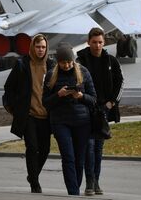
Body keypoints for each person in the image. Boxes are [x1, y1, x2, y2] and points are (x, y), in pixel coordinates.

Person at [3, 33, 54, 193]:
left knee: (45, 149)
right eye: (38, 47)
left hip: (46, 116)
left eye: (43, 47)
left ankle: (33, 175)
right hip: (29, 115)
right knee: (32, 147)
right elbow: (9, 88)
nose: (40, 50)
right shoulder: (22, 64)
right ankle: (35, 184)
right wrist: (13, 109)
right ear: (33, 47)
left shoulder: (52, 66)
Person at [42, 43, 96, 196]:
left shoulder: (83, 72)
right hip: (60, 122)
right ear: (58, 62)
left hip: (82, 122)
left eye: (69, 62)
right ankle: (73, 192)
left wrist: (81, 96)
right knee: (68, 157)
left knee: (79, 158)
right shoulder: (52, 74)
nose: (66, 65)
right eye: (63, 62)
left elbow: (93, 99)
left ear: (73, 60)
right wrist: (58, 95)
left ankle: (75, 188)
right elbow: (45, 102)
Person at [77, 27, 124, 196]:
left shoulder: (111, 60)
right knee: (88, 147)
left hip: (104, 111)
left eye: (100, 42)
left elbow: (120, 82)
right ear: (88, 42)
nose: (97, 45)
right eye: (94, 42)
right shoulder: (80, 61)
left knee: (98, 148)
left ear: (104, 43)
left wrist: (112, 102)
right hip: (86, 110)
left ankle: (96, 181)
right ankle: (89, 182)